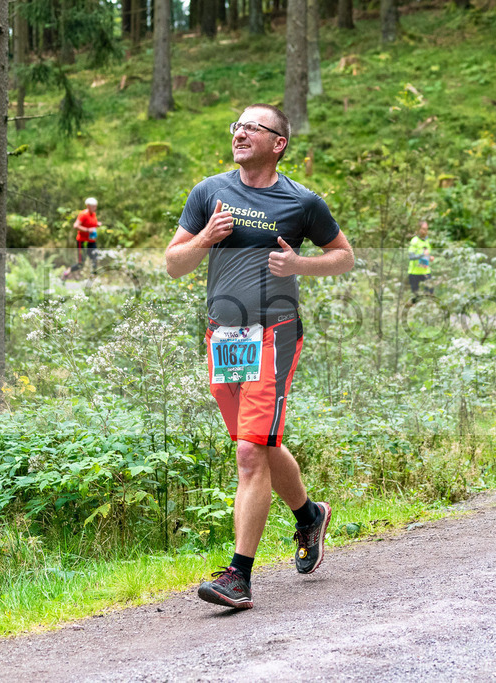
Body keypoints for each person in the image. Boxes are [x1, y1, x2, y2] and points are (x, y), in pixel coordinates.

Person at [165, 104, 354, 610]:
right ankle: (310, 516)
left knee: (249, 450)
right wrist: (206, 237)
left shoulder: (301, 201)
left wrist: (299, 263)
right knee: (262, 442)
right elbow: (173, 264)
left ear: (278, 143)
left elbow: (344, 256)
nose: (241, 132)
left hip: (275, 333)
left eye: (253, 127)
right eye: (237, 125)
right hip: (223, 335)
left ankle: (239, 577)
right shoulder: (209, 192)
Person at [62, 197, 100, 280]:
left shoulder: (93, 214)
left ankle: (94, 279)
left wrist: (97, 225)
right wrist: (87, 230)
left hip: (91, 241)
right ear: (88, 206)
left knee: (95, 259)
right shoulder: (83, 214)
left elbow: (91, 224)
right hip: (82, 241)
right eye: (93, 206)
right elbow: (76, 226)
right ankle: (66, 273)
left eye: (95, 206)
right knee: (81, 263)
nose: (95, 208)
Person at [407, 220, 433, 301]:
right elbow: (411, 256)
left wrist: (430, 257)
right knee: (416, 297)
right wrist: (422, 254)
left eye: (426, 229)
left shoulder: (427, 241)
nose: (425, 231)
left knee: (430, 294)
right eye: (423, 229)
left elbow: (426, 255)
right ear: (418, 229)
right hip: (414, 273)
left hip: (425, 272)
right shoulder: (414, 241)